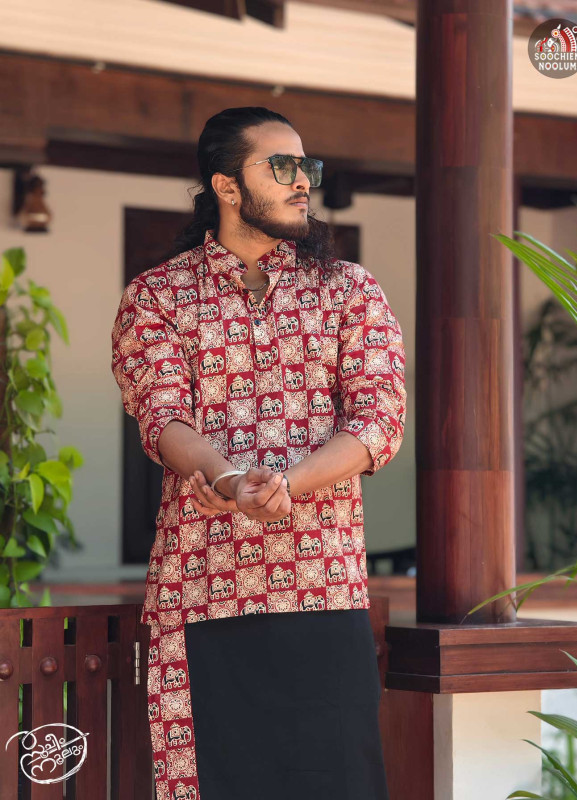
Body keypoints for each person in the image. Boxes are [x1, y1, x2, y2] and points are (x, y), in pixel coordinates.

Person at [110, 106, 407, 800]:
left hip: (324, 588)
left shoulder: (350, 290)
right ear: (226, 185)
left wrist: (287, 484)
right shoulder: (156, 297)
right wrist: (226, 478)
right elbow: (163, 417)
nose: (303, 181)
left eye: (307, 167)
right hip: (202, 591)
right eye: (282, 166)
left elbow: (379, 421)